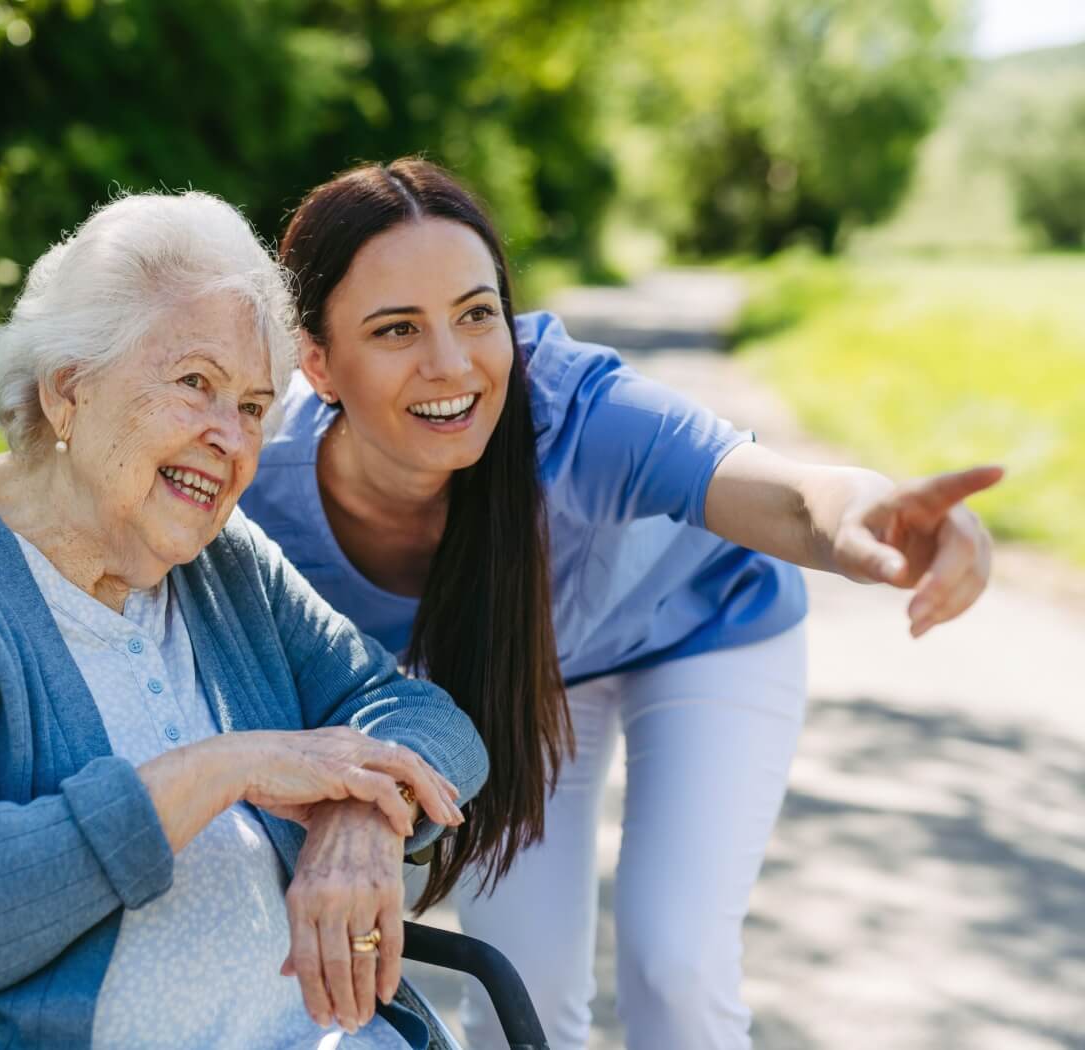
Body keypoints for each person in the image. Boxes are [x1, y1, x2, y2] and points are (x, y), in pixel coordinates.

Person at [238, 158, 1001, 1050]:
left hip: (703, 631)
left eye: (477, 314)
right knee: (525, 987)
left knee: (674, 964)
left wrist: (871, 514)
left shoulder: (571, 412)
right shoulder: (263, 489)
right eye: (396, 328)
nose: (452, 364)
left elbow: (789, 495)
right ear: (317, 361)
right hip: (519, 670)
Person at [0, 190, 490, 1050]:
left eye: (249, 406)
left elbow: (424, 718)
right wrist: (219, 771)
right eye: (195, 384)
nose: (229, 440)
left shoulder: (223, 563)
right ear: (67, 392)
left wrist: (363, 817)